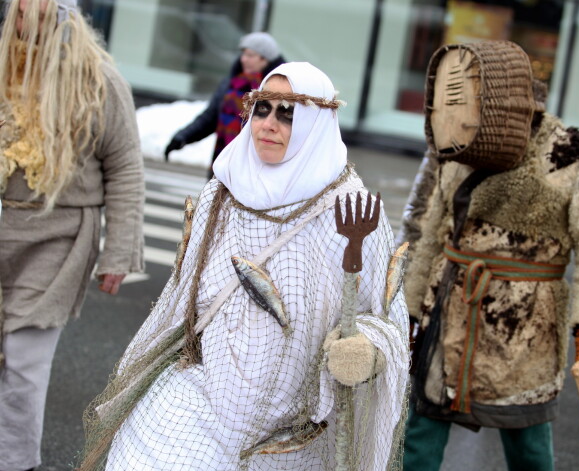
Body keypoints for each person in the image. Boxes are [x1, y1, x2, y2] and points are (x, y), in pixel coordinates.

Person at [79, 62, 409, 471]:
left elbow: (381, 314)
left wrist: (366, 349)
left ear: (317, 122)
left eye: (288, 114)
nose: (269, 124)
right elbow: (188, 291)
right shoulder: (224, 188)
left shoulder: (348, 209)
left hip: (290, 414)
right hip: (201, 388)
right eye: (263, 109)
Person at [398, 41, 579, 471]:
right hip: (448, 309)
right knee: (422, 431)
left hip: (526, 324)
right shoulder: (453, 143)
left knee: (528, 442)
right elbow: (425, 230)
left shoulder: (569, 153)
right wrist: (408, 310)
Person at [0, 1, 144, 470]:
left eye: (36, 10)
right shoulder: (3, 67)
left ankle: (17, 462)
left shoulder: (98, 80)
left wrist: (118, 253)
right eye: (19, 11)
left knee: (23, 361)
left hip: (58, 237)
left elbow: (124, 167)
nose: (25, 21)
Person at [163, 32, 286, 179]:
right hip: (222, 159)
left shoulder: (278, 90)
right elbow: (210, 118)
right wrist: (182, 137)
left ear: (265, 59)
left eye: (250, 55)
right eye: (243, 54)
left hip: (254, 168)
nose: (244, 59)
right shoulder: (231, 83)